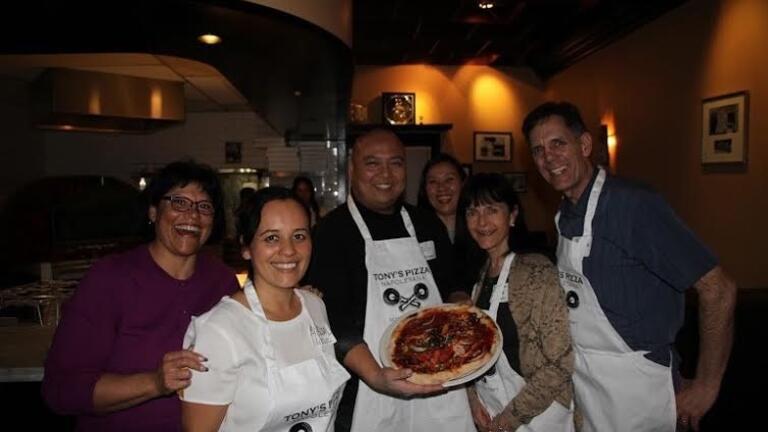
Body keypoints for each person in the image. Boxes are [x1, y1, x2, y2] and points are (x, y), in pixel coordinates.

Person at [522, 101, 737, 432]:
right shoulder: (564, 213)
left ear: (584, 145)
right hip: (590, 388)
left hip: (643, 390)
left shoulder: (633, 204)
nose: (548, 158)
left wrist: (707, 385)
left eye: (558, 143)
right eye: (538, 150)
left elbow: (718, 290)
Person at [42, 160, 239, 431]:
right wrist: (154, 383)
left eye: (204, 207)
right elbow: (61, 389)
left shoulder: (222, 281)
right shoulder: (110, 279)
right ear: (153, 211)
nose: (192, 216)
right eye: (179, 202)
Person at [306, 128, 474, 432]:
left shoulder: (425, 222)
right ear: (352, 169)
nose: (385, 173)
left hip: (440, 377)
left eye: (395, 163)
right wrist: (375, 375)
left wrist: (462, 306)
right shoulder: (333, 232)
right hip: (365, 387)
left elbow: (454, 283)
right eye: (372, 163)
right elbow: (333, 320)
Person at [180, 187, 349, 431]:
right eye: (272, 238)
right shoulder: (219, 331)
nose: (289, 250)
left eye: (299, 236)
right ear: (246, 247)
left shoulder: (315, 306)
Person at [456, 173, 575, 432]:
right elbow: (470, 355)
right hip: (490, 407)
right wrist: (473, 399)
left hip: (537, 414)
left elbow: (560, 363)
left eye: (492, 210)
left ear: (512, 216)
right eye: (472, 212)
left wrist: (510, 419)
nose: (482, 222)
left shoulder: (537, 272)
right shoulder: (479, 275)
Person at [417, 153, 466, 242]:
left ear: (462, 183)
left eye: (449, 179)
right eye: (433, 181)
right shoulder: (415, 232)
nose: (441, 188)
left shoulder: (479, 229)